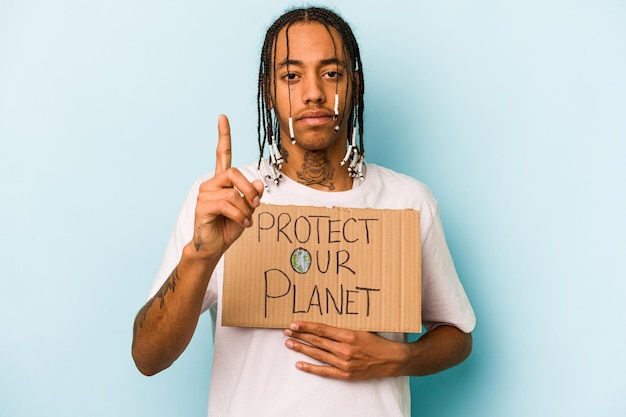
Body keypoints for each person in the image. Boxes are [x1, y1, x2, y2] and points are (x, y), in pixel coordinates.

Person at [132, 6, 475, 417]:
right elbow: (148, 357)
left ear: (353, 84)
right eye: (291, 76)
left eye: (331, 73)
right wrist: (200, 255)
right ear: (269, 89)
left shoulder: (407, 199)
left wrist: (396, 358)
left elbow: (457, 334)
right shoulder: (224, 198)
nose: (313, 91)